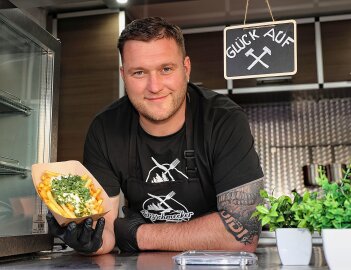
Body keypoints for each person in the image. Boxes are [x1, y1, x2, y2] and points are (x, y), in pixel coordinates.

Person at [46, 16, 264, 255]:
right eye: (139, 73)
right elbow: (105, 231)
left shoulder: (223, 120)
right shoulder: (105, 129)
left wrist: (136, 235)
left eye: (166, 69)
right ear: (123, 75)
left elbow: (244, 234)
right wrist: (88, 240)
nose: (154, 86)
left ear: (186, 68)